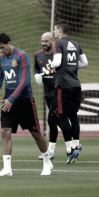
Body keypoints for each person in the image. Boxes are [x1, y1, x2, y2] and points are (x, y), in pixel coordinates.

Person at [0, 33, 53, 176]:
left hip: (24, 100)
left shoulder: (22, 56)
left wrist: (12, 99)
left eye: (2, 47)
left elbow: (24, 81)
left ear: (9, 43)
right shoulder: (1, 59)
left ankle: (47, 161)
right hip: (8, 100)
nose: (1, 51)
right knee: (5, 131)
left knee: (35, 132)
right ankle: (7, 168)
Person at [47, 20, 88, 164]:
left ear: (59, 30)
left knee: (62, 116)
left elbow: (57, 62)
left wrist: (51, 67)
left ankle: (70, 150)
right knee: (73, 116)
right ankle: (76, 146)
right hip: (75, 84)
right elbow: (84, 62)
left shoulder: (58, 43)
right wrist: (70, 66)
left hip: (63, 85)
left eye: (54, 29)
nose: (53, 31)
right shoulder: (76, 44)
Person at [33, 32, 60, 160]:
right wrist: (36, 75)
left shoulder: (58, 55)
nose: (44, 44)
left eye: (46, 41)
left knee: (51, 119)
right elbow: (36, 68)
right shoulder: (38, 55)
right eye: (42, 41)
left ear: (53, 41)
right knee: (59, 120)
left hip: (58, 91)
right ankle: (74, 143)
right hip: (47, 92)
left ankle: (51, 151)